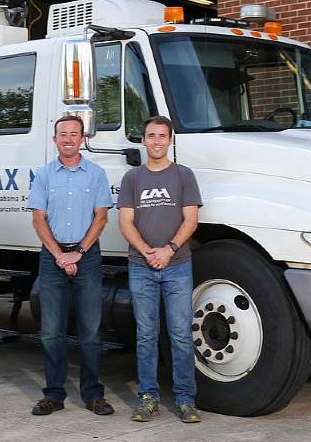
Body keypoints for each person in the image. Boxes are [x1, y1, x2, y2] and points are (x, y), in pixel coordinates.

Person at [27, 115, 115, 417]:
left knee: (90, 331)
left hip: (87, 257)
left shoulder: (97, 174)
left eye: (74, 134)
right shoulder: (43, 175)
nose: (68, 138)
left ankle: (93, 394)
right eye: (62, 134)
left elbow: (101, 217)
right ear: (54, 140)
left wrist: (78, 252)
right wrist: (59, 254)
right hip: (52, 259)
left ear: (82, 139)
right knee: (51, 331)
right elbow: (38, 219)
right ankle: (53, 394)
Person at [118, 116, 202, 424]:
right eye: (150, 135)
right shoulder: (132, 179)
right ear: (143, 141)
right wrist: (148, 252)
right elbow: (125, 222)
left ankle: (185, 400)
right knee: (146, 335)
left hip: (177, 266)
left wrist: (169, 250)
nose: (156, 141)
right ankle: (148, 398)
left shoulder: (183, 175)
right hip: (141, 267)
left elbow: (190, 220)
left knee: (180, 334)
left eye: (161, 136)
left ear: (170, 141)